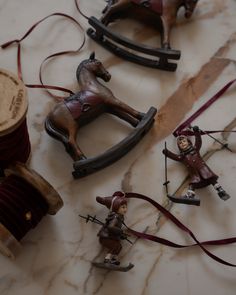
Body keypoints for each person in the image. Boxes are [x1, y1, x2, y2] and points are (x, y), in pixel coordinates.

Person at [162, 126, 230, 205]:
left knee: (211, 178)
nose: (182, 143)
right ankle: (190, 196)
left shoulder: (194, 149)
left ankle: (220, 191)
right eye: (180, 143)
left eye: (184, 141)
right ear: (179, 146)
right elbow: (175, 157)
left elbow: (198, 142)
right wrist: (167, 153)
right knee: (193, 184)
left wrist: (196, 132)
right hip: (194, 173)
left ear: (188, 142)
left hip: (203, 169)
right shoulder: (182, 157)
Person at [96, 191, 128, 266]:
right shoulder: (115, 217)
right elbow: (111, 227)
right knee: (114, 246)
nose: (125, 209)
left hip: (109, 237)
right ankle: (107, 260)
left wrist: (121, 235)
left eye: (126, 207)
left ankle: (113, 259)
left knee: (119, 247)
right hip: (105, 237)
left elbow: (115, 230)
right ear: (116, 207)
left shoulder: (119, 217)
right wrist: (120, 231)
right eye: (123, 207)